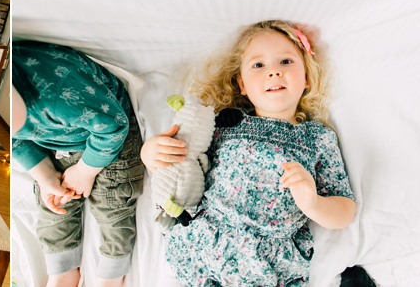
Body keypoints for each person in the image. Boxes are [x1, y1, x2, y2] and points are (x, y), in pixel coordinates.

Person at [141, 20, 356, 286]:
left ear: (307, 78)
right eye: (259, 65)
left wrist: (313, 203)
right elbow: (187, 157)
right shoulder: (223, 123)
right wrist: (150, 154)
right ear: (242, 84)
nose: (274, 72)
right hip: (207, 240)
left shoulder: (317, 137)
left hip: (269, 258)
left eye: (286, 62)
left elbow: (345, 210)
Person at [11, 41, 143, 287]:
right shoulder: (16, 115)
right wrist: (45, 176)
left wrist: (85, 171)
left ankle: (110, 278)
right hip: (56, 140)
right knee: (53, 206)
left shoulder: (58, 96)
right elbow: (19, 141)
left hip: (110, 136)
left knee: (113, 207)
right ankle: (63, 273)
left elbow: (114, 127)